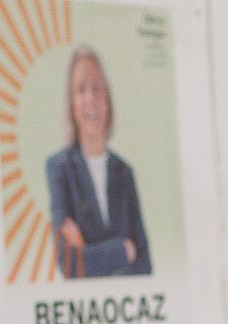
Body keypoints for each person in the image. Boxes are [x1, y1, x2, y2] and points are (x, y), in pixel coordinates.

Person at [44, 44, 151, 277]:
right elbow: (70, 264)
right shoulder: (59, 169)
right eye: (81, 90)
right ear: (71, 105)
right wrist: (123, 250)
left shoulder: (124, 172)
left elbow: (144, 262)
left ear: (108, 99)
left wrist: (89, 252)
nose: (90, 98)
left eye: (96, 88)